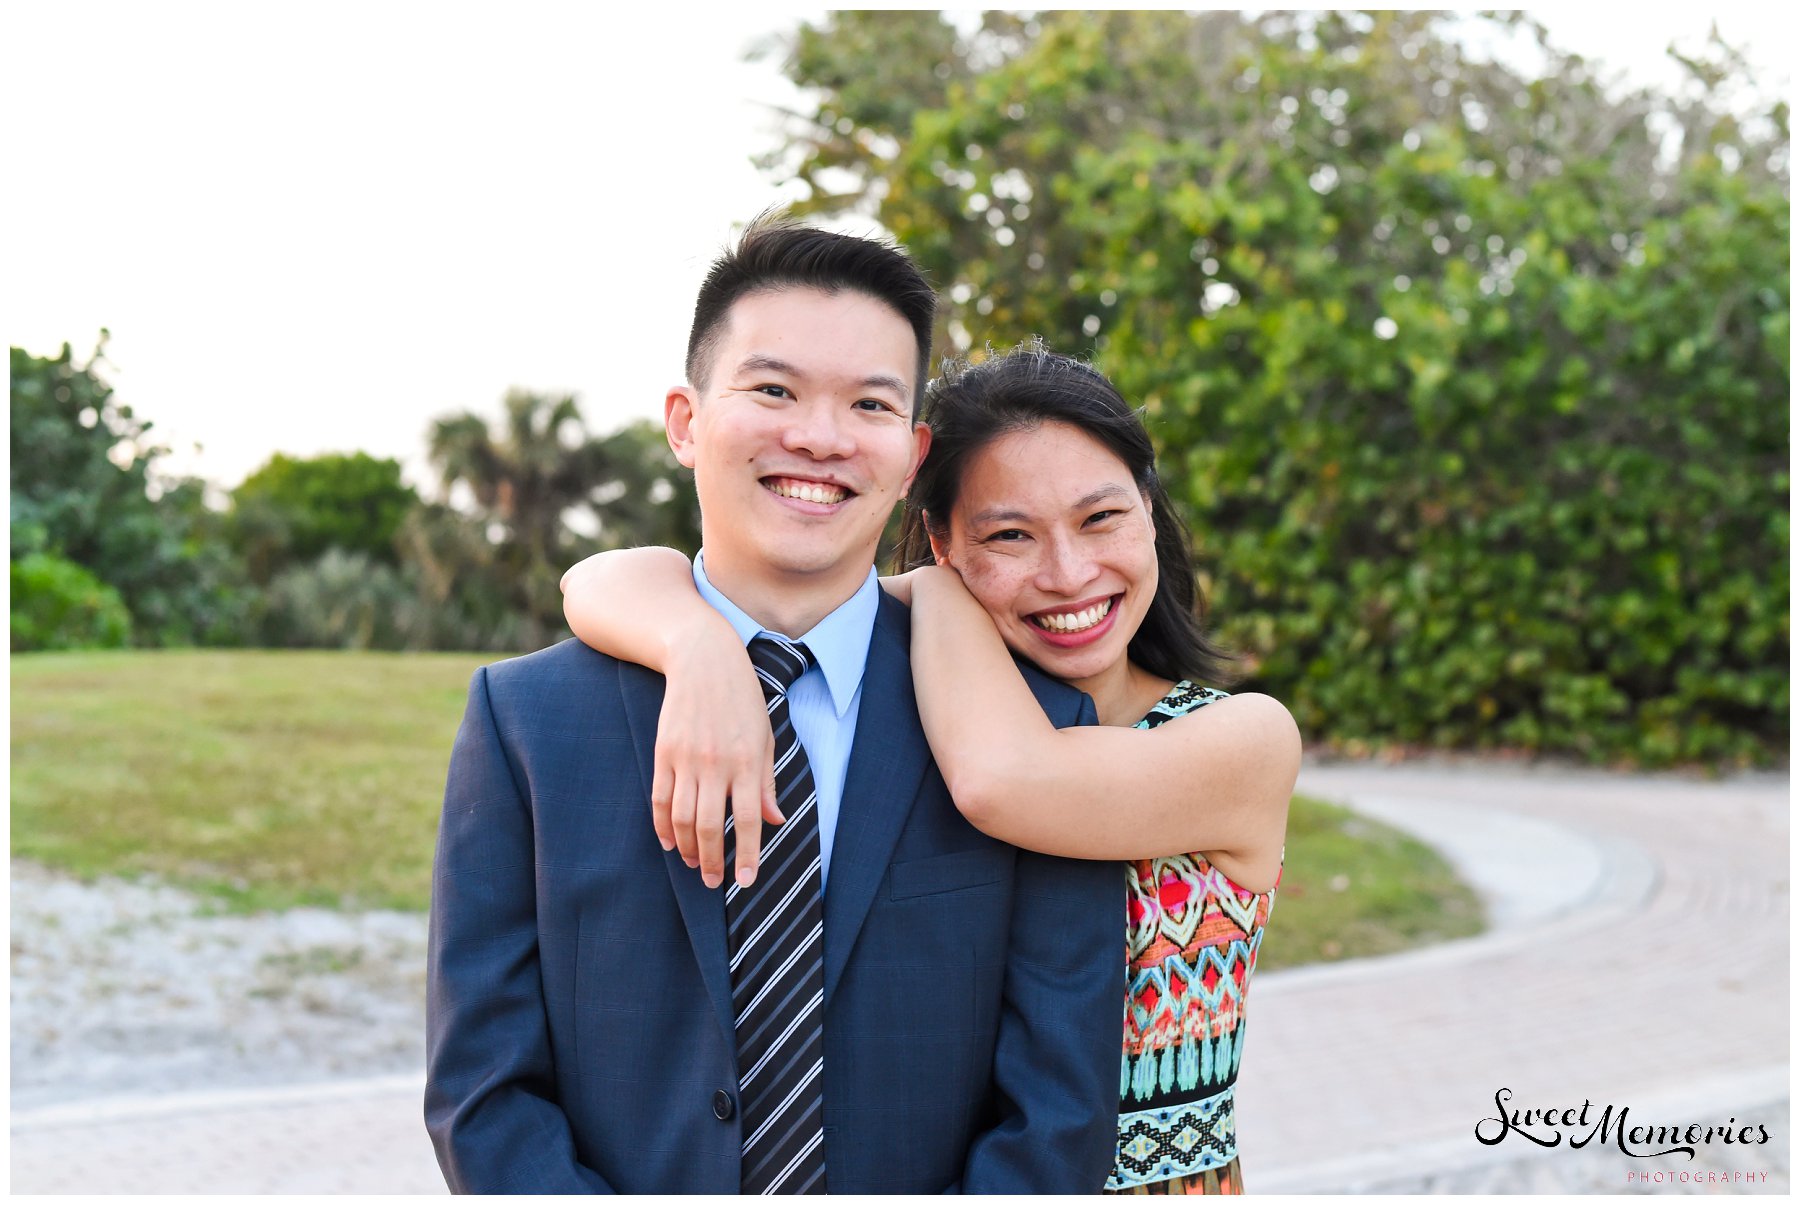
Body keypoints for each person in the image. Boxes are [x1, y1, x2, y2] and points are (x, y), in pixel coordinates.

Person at [425, 221, 1124, 1193]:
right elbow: (484, 1091)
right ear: (685, 420)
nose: (821, 436)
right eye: (774, 389)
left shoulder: (1036, 730)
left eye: (869, 403)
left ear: (912, 451)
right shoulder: (525, 723)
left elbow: (1060, 1109)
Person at [561, 341, 1301, 1194]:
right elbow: (598, 578)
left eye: (1102, 518)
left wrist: (942, 593)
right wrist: (695, 645)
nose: (1068, 573)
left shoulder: (1244, 739)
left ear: (1148, 508)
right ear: (944, 541)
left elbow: (1009, 781)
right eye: (1009, 535)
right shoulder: (926, 700)